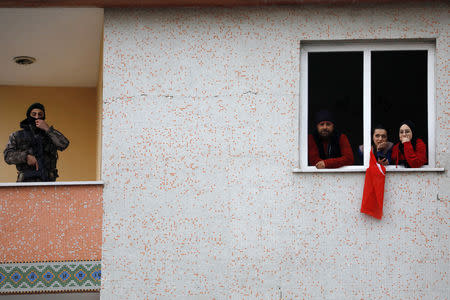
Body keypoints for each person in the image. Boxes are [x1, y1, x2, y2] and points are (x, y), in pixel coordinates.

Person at [4, 103, 69, 182]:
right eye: (34, 114)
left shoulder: (50, 135)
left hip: (48, 181)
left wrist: (48, 129)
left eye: (40, 114)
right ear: (29, 115)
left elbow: (64, 144)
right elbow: (7, 156)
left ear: (44, 117)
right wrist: (25, 157)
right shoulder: (17, 136)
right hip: (26, 181)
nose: (37, 117)